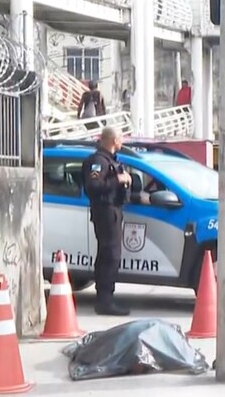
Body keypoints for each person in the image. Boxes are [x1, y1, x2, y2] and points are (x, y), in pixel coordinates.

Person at [81, 127, 132, 316]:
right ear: (113, 140)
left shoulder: (111, 160)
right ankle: (104, 300)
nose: (122, 142)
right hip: (105, 211)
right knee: (110, 255)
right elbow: (93, 186)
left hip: (113, 210)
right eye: (120, 138)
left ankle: (105, 297)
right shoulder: (98, 162)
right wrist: (117, 180)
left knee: (109, 254)